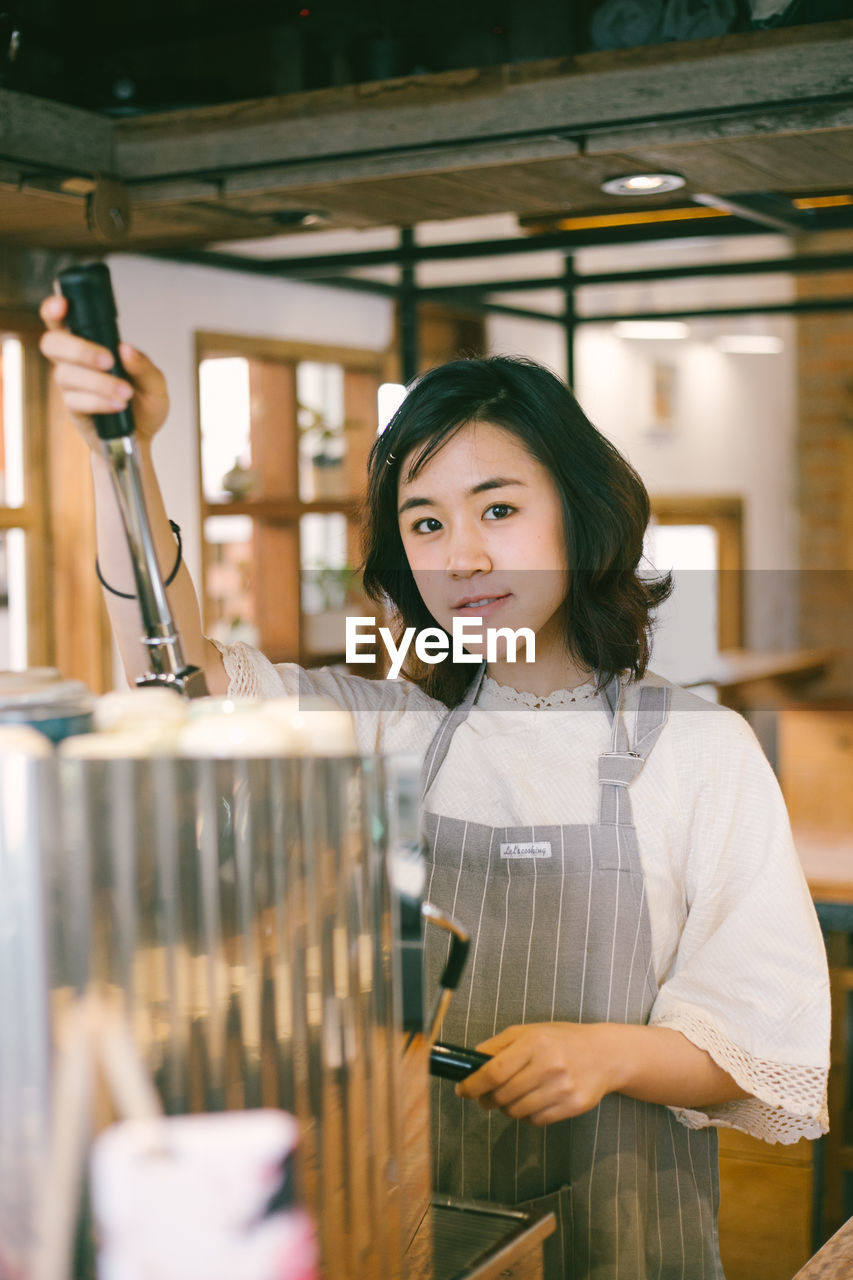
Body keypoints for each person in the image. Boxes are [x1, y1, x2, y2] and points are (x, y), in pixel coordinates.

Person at [41, 295, 830, 1280]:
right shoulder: (389, 725)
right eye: (425, 521)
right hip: (412, 1216)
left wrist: (608, 1054)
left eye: (499, 508)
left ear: (580, 515)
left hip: (626, 1232)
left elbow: (766, 1042)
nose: (460, 556)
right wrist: (123, 451)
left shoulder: (698, 748)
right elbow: (177, 677)